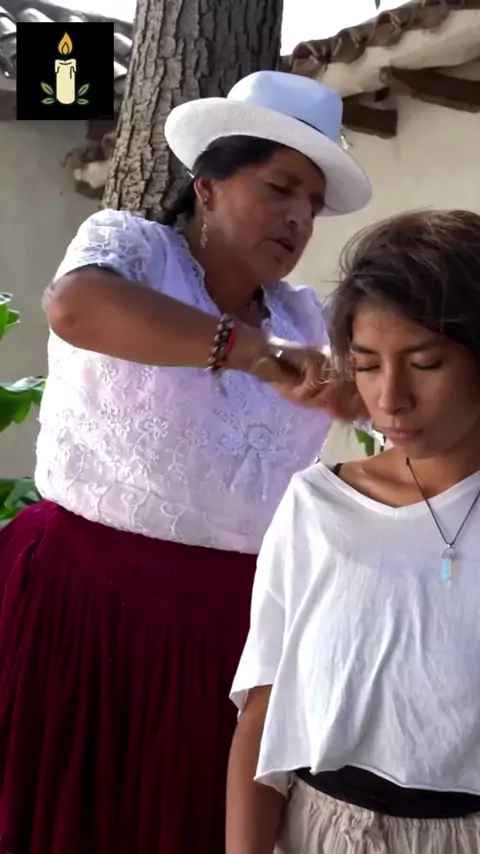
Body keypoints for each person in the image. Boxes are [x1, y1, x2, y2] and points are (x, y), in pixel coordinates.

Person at [0, 71, 370, 854]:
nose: (299, 217)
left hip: (224, 638)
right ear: (206, 187)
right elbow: (75, 308)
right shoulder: (133, 250)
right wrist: (251, 352)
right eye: (280, 188)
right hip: (79, 604)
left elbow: (393, 390)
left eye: (312, 203)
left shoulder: (309, 321)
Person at [227, 209, 480, 854]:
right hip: (329, 833)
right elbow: (264, 713)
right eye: (366, 366)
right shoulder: (320, 508)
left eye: (426, 363)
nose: (390, 399)